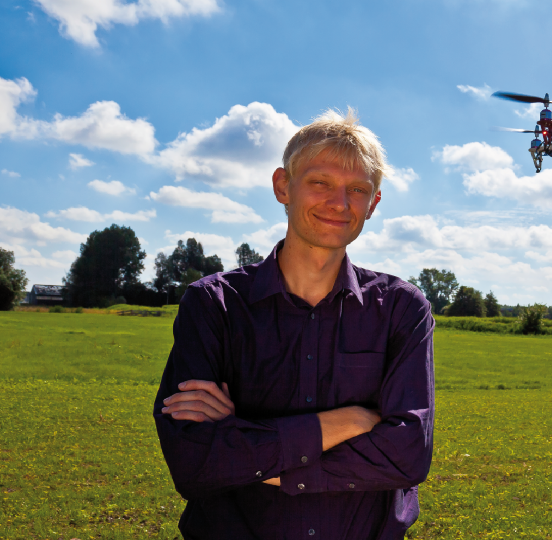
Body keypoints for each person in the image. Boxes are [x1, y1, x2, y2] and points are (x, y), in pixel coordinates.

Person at [153, 109, 435, 540]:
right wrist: (350, 421)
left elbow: (407, 456)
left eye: (357, 189)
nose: (339, 203)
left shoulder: (400, 308)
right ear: (283, 186)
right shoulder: (214, 305)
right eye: (320, 182)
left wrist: (255, 457)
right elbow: (194, 462)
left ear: (373, 203)